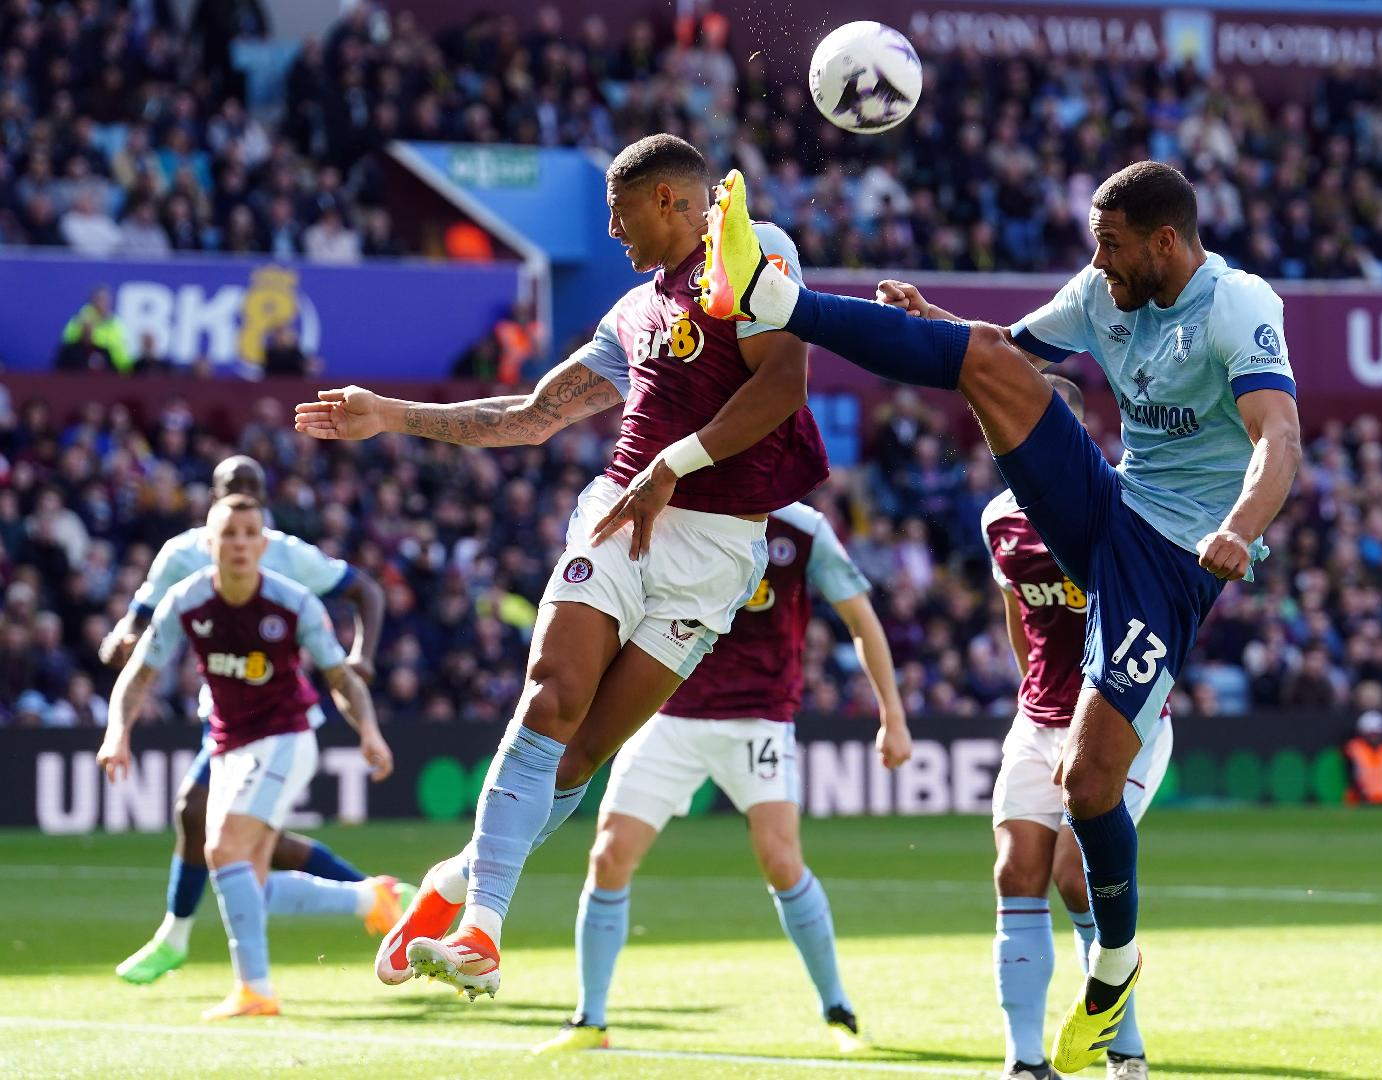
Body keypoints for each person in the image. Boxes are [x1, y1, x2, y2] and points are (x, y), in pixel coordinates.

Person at [697, 160, 1300, 1071]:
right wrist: (936, 325)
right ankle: (780, 302)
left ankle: (1116, 969)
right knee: (979, 357)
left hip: (1174, 559)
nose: (1099, 262)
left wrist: (1238, 530)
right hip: (1108, 505)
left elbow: (1279, 438)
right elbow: (1005, 350)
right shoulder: (1104, 292)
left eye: (1113, 244)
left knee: (1089, 787)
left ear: (1166, 240)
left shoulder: (1236, 305)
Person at [293, 134, 826, 999]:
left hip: (719, 548)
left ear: (665, 200)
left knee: (579, 759)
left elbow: (782, 384)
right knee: (551, 697)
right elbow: (531, 416)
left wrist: (675, 467)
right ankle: (484, 930)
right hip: (620, 515)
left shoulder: (754, 250)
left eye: (619, 215)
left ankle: (451, 884)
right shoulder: (631, 315)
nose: (613, 235)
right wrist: (389, 413)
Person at [535, 500, 910, 1055]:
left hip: (758, 718)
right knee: (609, 856)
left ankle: (839, 1011)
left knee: (782, 862)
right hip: (669, 713)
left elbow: (860, 619)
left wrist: (893, 717)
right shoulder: (676, 505)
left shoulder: (803, 530)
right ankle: (590, 1020)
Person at [97, 494, 394, 1019]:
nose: (238, 543)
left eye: (248, 533)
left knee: (222, 847)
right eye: (227, 534)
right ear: (208, 544)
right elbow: (139, 674)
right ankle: (372, 900)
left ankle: (254, 990)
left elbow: (340, 676)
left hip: (285, 737)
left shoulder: (295, 603)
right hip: (228, 745)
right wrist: (116, 732)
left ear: (264, 543)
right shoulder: (185, 601)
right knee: (246, 881)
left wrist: (367, 730)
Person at [982, 375, 1171, 1080]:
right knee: (1015, 873)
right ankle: (1025, 1061)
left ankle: (1122, 1042)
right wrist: (1034, 695)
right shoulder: (997, 518)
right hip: (1039, 719)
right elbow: (1020, 622)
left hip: (1122, 717)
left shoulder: (1123, 506)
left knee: (1072, 875)